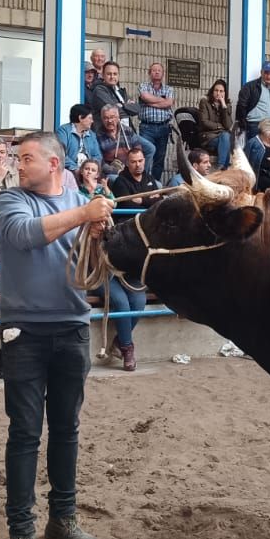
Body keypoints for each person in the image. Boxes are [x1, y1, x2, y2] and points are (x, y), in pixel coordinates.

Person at [0, 132, 114, 539]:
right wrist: (84, 214)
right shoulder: (9, 203)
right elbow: (25, 237)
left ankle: (62, 518)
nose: (17, 165)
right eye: (17, 158)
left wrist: (99, 232)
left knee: (66, 428)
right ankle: (21, 531)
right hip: (24, 331)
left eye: (26, 158)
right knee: (25, 432)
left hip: (72, 326)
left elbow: (92, 255)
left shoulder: (82, 200)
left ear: (54, 164)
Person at [105, 147, 159, 371]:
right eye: (133, 161)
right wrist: (146, 201)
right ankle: (127, 348)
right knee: (120, 301)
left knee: (139, 301)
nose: (137, 165)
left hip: (131, 259)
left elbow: (155, 207)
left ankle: (120, 341)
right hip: (105, 268)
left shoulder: (150, 179)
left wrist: (142, 202)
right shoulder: (120, 182)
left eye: (140, 161)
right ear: (127, 163)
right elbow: (126, 206)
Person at [136, 62, 176, 181]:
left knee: (160, 158)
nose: (157, 72)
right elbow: (145, 97)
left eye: (159, 70)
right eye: (154, 70)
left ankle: (155, 184)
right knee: (146, 155)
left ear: (163, 73)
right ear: (149, 73)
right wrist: (162, 101)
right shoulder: (143, 86)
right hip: (147, 128)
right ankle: (143, 182)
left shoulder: (169, 89)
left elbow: (169, 103)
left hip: (163, 128)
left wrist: (151, 102)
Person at [233, 61, 270, 144]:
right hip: (256, 125)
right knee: (256, 152)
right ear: (261, 72)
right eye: (266, 73)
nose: (268, 76)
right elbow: (241, 106)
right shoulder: (250, 86)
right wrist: (243, 125)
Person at [96, 103, 143, 176]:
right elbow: (99, 162)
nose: (109, 121)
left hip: (131, 168)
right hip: (112, 173)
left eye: (112, 117)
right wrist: (117, 171)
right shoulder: (98, 136)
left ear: (118, 118)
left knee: (157, 185)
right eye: (106, 118)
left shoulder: (127, 130)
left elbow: (138, 150)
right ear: (102, 119)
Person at [196, 80, 235, 168]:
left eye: (221, 91)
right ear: (212, 91)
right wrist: (219, 126)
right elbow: (204, 121)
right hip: (207, 136)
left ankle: (221, 166)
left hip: (222, 137)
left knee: (226, 137)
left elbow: (228, 126)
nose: (218, 93)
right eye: (216, 90)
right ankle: (223, 168)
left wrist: (224, 107)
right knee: (226, 139)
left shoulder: (227, 105)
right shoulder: (204, 102)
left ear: (225, 93)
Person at [56, 105, 102, 174]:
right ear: (80, 118)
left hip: (88, 172)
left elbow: (97, 155)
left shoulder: (91, 134)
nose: (92, 121)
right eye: (90, 118)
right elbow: (61, 154)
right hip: (70, 171)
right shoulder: (63, 131)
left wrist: (91, 169)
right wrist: (75, 169)